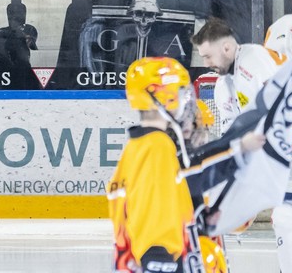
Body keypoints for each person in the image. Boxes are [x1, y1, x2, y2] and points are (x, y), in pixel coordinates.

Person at [192, 18, 292, 273]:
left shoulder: (255, 63)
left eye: (208, 56)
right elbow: (232, 138)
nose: (206, 64)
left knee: (288, 214)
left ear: (226, 48)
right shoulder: (223, 87)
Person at [108, 56, 266, 273]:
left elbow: (176, 193)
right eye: (182, 93)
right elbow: (187, 179)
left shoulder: (139, 149)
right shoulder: (156, 146)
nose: (186, 101)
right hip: (162, 262)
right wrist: (239, 149)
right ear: (165, 97)